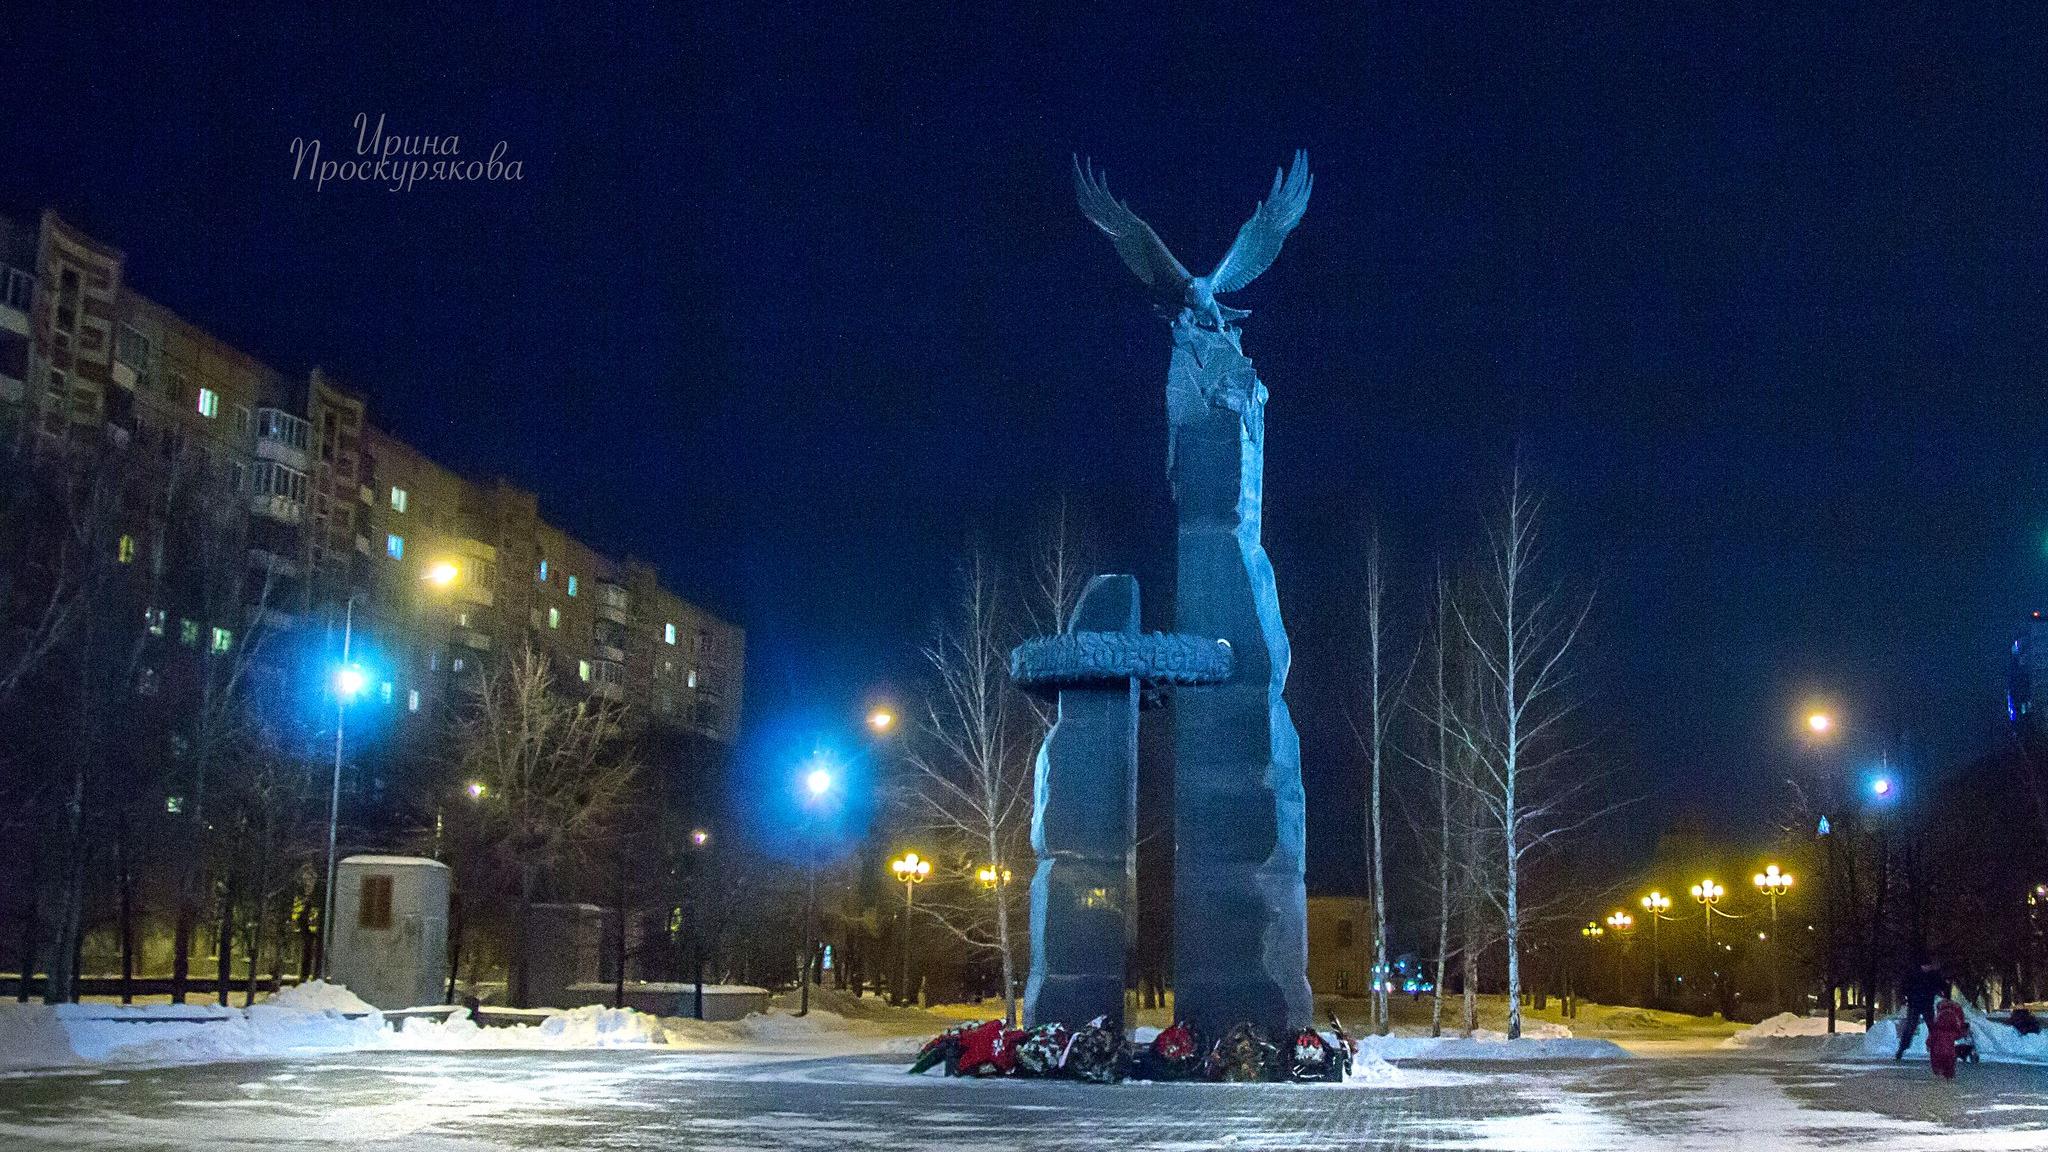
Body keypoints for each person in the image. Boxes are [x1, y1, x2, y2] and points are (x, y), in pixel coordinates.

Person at [1895, 959, 1946, 1059]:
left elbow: (1940, 986)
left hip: (1921, 1004)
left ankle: (1935, 1049)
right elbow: (1940, 986)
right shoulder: (1919, 975)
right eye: (1928, 966)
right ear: (1924, 966)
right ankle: (1902, 1048)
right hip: (1918, 1004)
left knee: (1926, 1027)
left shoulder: (1928, 975)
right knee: (1913, 1027)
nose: (1929, 968)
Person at [1927, 996, 1968, 1080]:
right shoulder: (1952, 1032)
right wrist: (1963, 1030)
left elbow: (1930, 1040)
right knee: (1949, 1063)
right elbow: (1959, 1034)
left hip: (1937, 1053)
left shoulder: (1936, 1030)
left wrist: (1928, 1044)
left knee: (1937, 1063)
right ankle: (1949, 1075)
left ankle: (1938, 1073)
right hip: (1950, 1053)